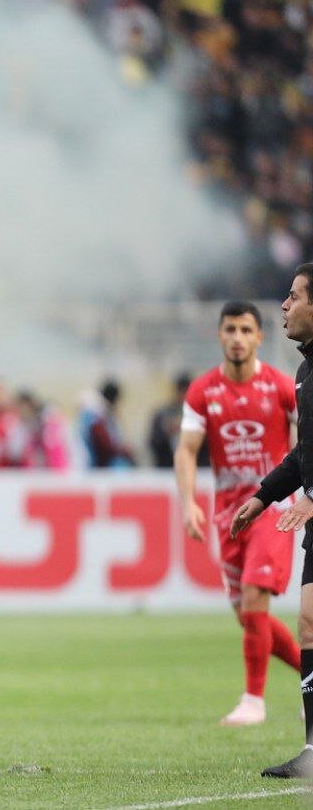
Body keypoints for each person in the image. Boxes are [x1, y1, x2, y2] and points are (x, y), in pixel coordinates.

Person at [175, 301, 299, 726]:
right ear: (220, 335)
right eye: (230, 329)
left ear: (259, 337)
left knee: (253, 598)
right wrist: (187, 501)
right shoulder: (203, 391)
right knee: (249, 617)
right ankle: (310, 674)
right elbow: (186, 450)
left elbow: (308, 438)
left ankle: (253, 701)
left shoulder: (282, 387)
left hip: (272, 507)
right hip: (229, 514)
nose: (237, 338)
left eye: (246, 330)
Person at [233, 263, 313, 777]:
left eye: (294, 296)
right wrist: (264, 497)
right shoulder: (304, 373)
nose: (284, 305)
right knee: (309, 624)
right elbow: (306, 453)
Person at [81, 379, 136, 467]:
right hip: (102, 465)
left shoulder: (108, 415)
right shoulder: (96, 416)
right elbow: (105, 446)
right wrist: (123, 450)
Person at [150, 373, 194, 468]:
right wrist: (167, 431)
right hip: (167, 465)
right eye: (182, 391)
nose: (184, 395)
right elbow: (153, 442)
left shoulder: (199, 415)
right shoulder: (162, 414)